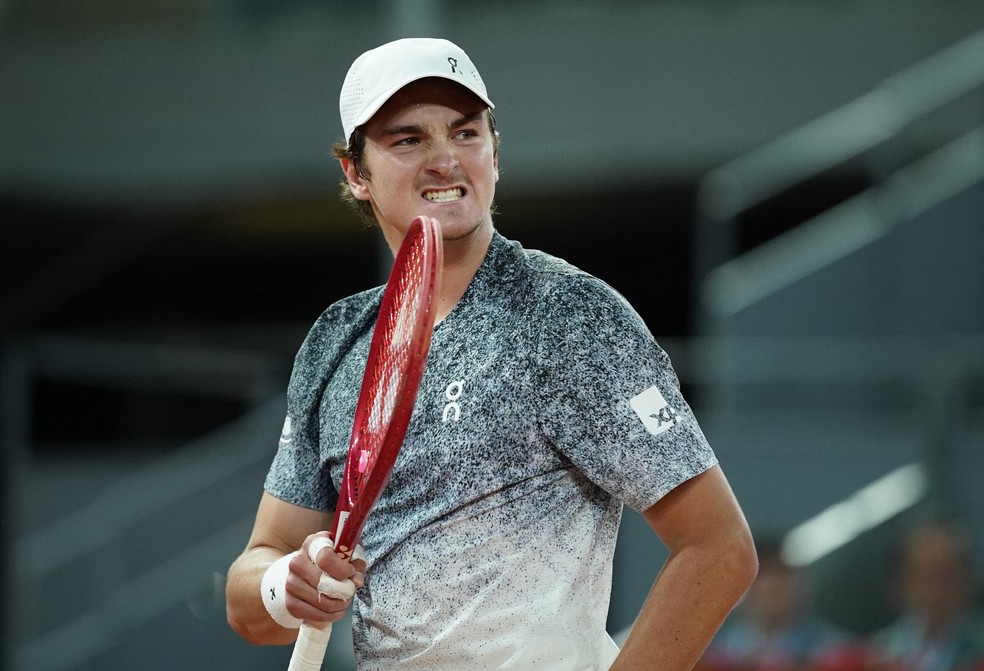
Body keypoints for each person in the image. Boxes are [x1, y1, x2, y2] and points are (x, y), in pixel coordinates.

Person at [225, 37, 758, 670]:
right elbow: (251, 595)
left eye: (466, 133)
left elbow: (718, 548)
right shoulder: (336, 341)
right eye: (408, 140)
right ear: (356, 174)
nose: (445, 159)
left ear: (495, 153)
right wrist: (285, 583)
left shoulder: (568, 314)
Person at [698, 537, 859, 671]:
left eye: (780, 572)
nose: (771, 584)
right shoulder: (714, 657)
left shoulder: (839, 651)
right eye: (760, 574)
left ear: (801, 583)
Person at [869, 517, 984, 671]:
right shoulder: (874, 654)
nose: (935, 591)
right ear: (899, 585)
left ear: (968, 580)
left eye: (946, 577)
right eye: (922, 577)